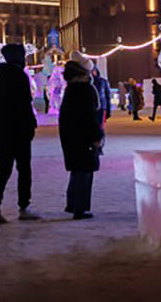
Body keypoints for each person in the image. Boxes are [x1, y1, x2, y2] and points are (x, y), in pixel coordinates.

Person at [0, 43, 41, 223]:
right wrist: (30, 125)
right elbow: (24, 104)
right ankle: (24, 206)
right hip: (19, 130)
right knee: (24, 169)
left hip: (2, 131)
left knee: (4, 168)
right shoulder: (20, 77)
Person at [59, 60, 104, 219]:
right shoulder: (85, 90)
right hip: (85, 137)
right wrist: (96, 136)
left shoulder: (70, 90)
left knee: (76, 170)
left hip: (70, 136)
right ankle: (80, 207)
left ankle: (72, 203)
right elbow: (90, 116)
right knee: (85, 171)